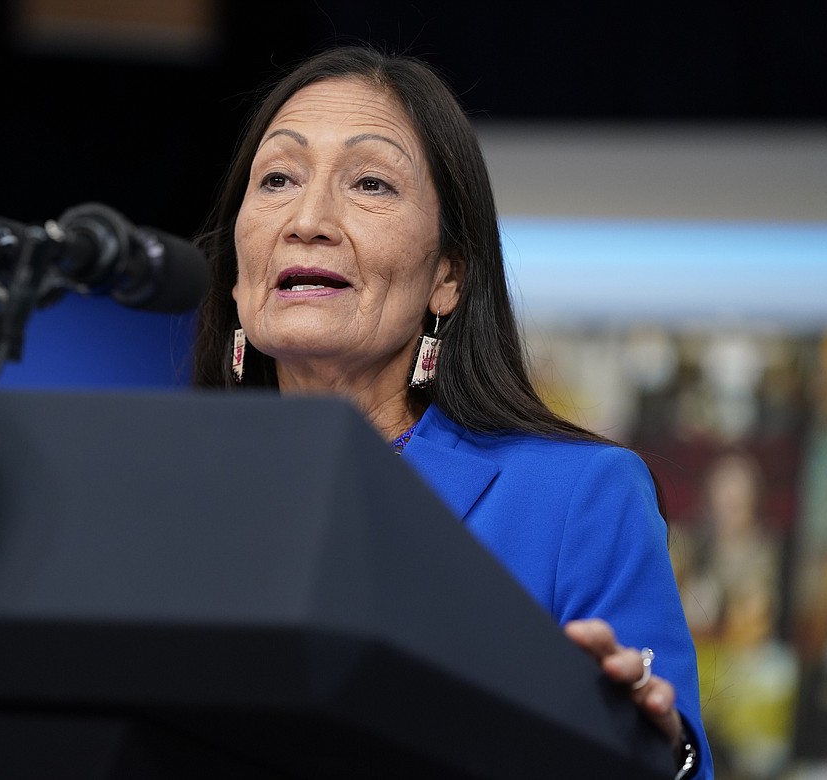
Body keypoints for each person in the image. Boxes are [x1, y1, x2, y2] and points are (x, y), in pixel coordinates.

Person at [191, 45, 711, 778]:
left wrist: (648, 750)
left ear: (448, 276)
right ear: (236, 277)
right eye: (277, 178)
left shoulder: (577, 500)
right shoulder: (164, 499)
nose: (308, 220)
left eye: (370, 183)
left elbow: (671, 753)